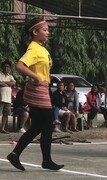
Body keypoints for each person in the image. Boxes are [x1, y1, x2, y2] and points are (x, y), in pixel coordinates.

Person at [7, 18, 64, 171]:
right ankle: (46, 160)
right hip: (38, 90)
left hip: (43, 89)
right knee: (47, 122)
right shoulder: (33, 48)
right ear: (35, 32)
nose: (48, 32)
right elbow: (20, 65)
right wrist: (35, 76)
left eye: (47, 30)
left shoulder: (42, 48)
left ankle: (16, 154)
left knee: (38, 126)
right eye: (44, 30)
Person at [0, 60, 16, 134]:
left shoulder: (11, 76)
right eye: (5, 66)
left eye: (8, 67)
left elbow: (13, 83)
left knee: (6, 114)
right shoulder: (0, 74)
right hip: (1, 98)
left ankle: (2, 128)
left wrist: (4, 83)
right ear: (3, 67)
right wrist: (8, 83)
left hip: (8, 99)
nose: (6, 68)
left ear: (10, 68)